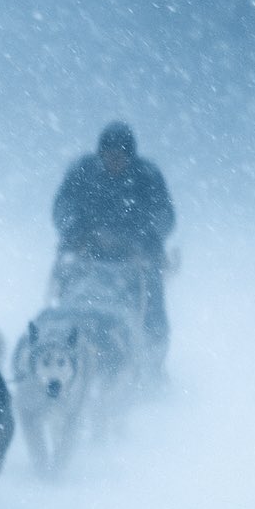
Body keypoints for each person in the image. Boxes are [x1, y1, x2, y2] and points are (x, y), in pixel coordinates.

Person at [52, 121, 175, 381]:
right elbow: (63, 208)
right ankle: (58, 341)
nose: (114, 161)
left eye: (120, 156)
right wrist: (77, 234)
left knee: (151, 306)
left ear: (131, 156)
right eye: (108, 155)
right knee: (65, 292)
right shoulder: (83, 172)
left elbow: (164, 216)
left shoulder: (147, 176)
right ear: (100, 154)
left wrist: (140, 241)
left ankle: (153, 364)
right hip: (86, 253)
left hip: (135, 258)